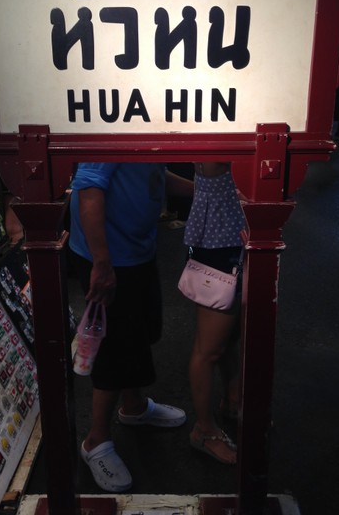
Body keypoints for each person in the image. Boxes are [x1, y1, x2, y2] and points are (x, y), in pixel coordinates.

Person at [69, 162, 194, 492]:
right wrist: (101, 263)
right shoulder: (106, 132)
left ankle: (134, 407)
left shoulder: (150, 134)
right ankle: (95, 441)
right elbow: (89, 191)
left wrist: (203, 190)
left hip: (137, 250)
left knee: (139, 334)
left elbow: (154, 174)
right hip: (109, 256)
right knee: (114, 347)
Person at [183, 161, 246, 465]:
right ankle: (204, 431)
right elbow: (213, 164)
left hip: (236, 233)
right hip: (218, 239)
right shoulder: (215, 141)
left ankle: (232, 402)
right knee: (208, 349)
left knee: (230, 335)